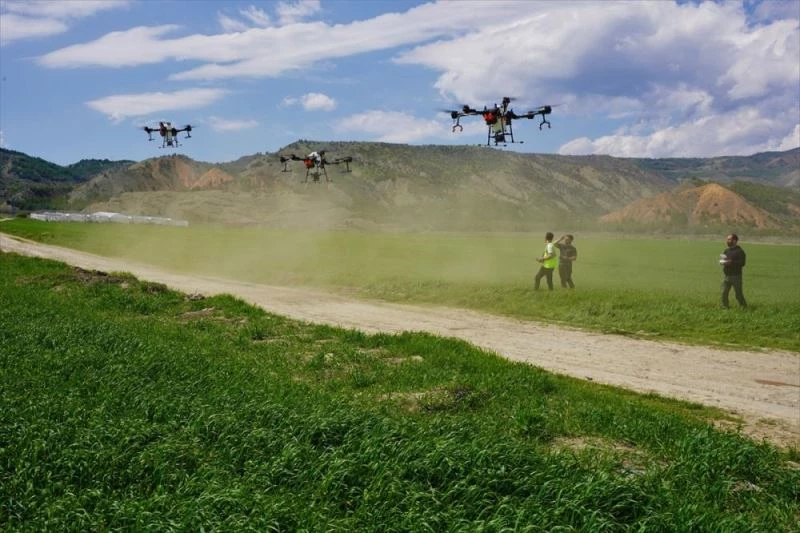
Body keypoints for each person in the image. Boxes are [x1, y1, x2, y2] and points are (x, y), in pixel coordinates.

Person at [720, 233, 747, 309]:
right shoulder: (726, 251)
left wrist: (731, 262)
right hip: (726, 276)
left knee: (738, 294)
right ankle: (725, 307)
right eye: (727, 239)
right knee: (724, 293)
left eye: (729, 239)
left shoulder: (740, 251)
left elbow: (742, 263)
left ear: (735, 241)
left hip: (736, 276)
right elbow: (724, 259)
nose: (727, 241)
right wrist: (723, 262)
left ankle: (744, 307)